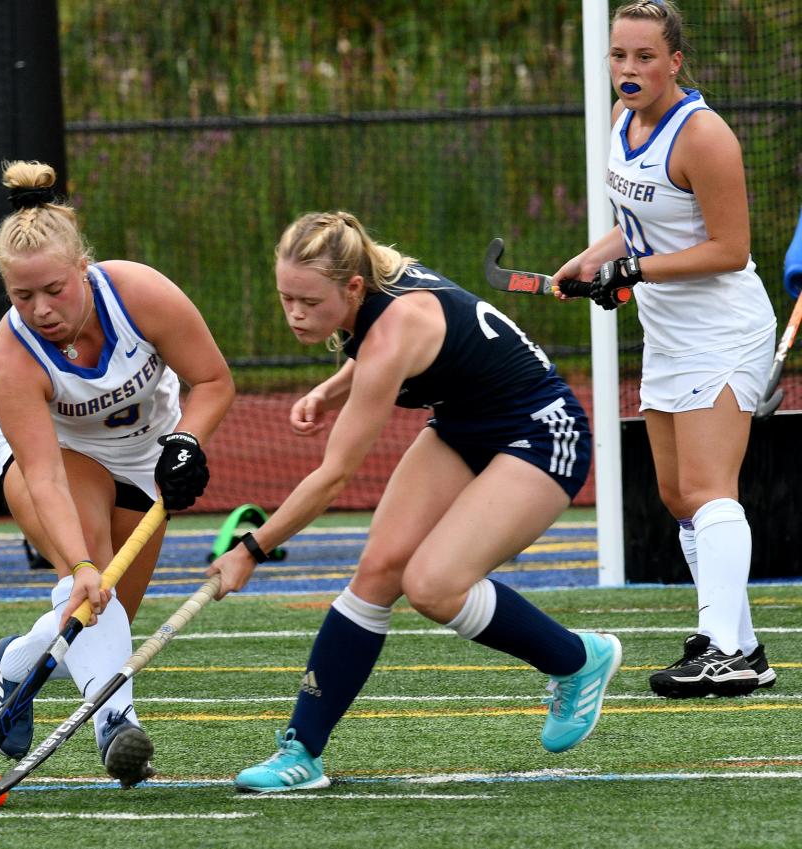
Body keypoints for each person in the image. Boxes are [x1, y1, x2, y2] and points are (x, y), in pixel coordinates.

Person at [206, 210, 622, 793]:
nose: (295, 314)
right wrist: (330, 389)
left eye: (308, 301)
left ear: (352, 288)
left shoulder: (394, 328)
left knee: (433, 585)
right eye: (284, 298)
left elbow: (334, 476)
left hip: (542, 433)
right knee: (378, 571)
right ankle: (301, 753)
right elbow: (372, 353)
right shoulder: (373, 282)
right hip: (462, 426)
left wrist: (252, 548)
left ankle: (577, 658)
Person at [0, 160, 234, 786]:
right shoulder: (12, 359)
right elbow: (42, 475)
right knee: (90, 575)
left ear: (82, 270)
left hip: (148, 459)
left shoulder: (138, 293)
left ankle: (11, 666)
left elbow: (213, 380)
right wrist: (80, 564)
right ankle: (115, 724)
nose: (41, 309)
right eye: (23, 296)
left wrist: (186, 443)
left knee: (108, 614)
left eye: (55, 290)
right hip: (59, 459)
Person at [553, 0, 777, 698]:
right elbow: (638, 225)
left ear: (674, 61)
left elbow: (729, 248)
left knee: (711, 489)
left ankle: (722, 648)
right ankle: (743, 648)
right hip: (668, 333)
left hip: (723, 329)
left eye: (644, 56)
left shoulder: (704, 136)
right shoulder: (625, 124)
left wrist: (635, 271)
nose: (628, 68)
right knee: (680, 496)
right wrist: (590, 260)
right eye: (619, 55)